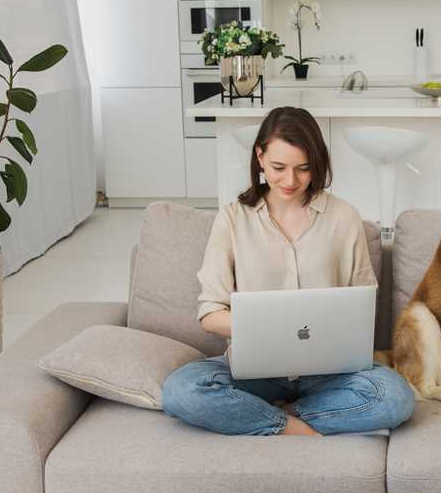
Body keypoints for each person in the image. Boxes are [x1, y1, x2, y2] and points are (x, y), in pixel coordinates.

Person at [161, 107, 415, 437]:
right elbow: (210, 313)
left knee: (395, 398)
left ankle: (279, 416)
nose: (290, 181)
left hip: (329, 372)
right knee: (182, 390)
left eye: (303, 169)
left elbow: (364, 305)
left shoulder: (344, 217)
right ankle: (293, 427)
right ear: (260, 157)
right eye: (279, 168)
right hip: (254, 373)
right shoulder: (233, 219)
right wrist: (270, 326)